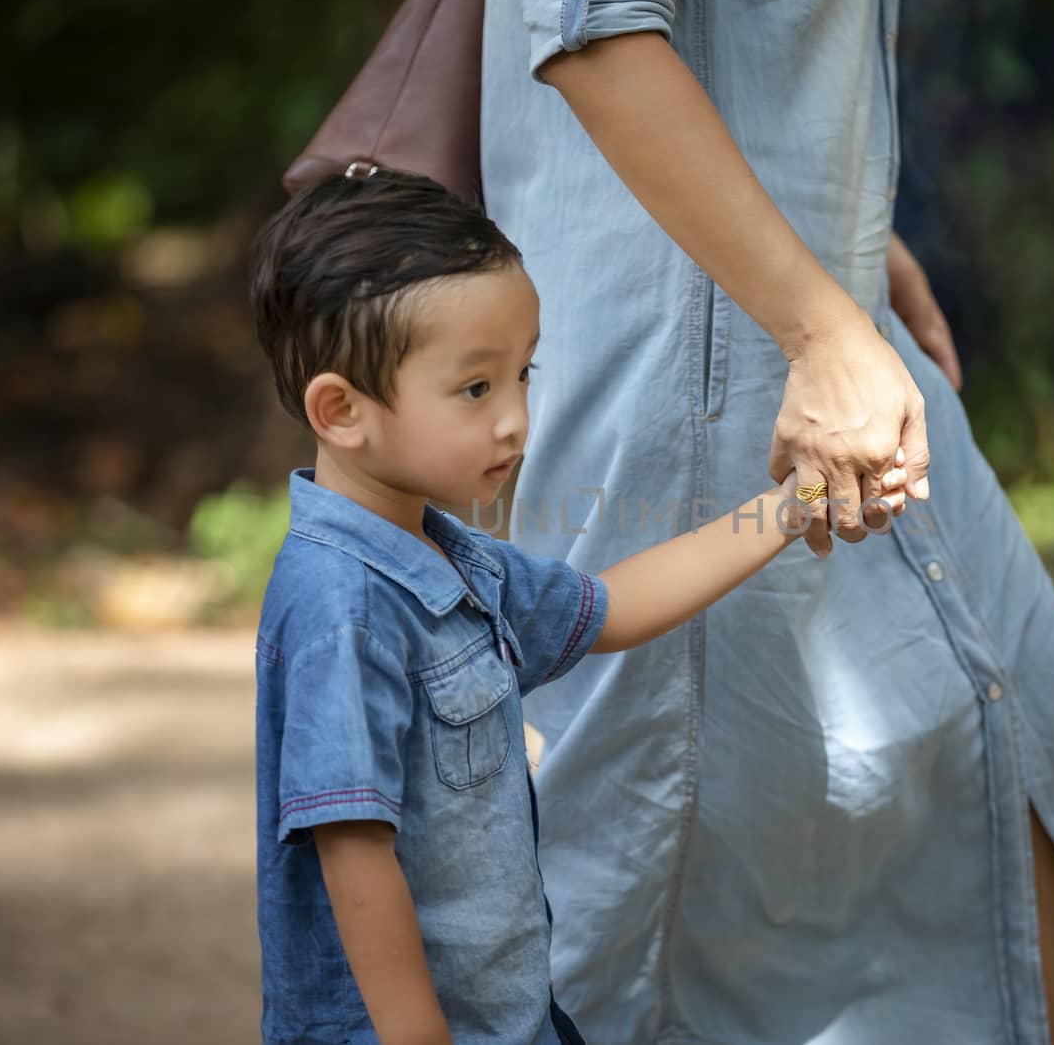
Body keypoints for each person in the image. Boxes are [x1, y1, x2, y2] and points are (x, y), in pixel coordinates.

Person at [478, 0, 1054, 1044]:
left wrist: (845, 239)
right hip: (702, 378)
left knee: (1017, 743)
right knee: (627, 876)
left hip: (811, 325)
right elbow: (598, 38)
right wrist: (817, 323)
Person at [246, 170, 908, 1045]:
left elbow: (611, 607)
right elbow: (353, 849)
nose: (518, 418)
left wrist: (786, 507)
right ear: (343, 410)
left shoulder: (451, 559)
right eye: (476, 389)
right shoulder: (343, 604)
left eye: (523, 373)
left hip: (510, 1015)